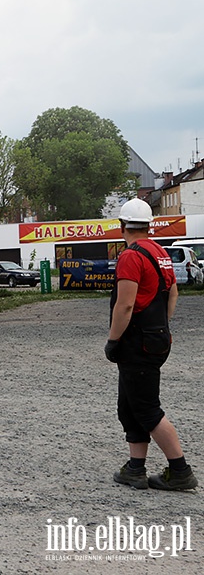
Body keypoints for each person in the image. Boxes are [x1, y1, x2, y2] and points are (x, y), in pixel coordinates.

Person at [106, 198, 197, 490]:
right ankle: (135, 468)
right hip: (156, 337)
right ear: (149, 225)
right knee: (128, 404)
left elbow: (125, 305)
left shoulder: (131, 256)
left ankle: (180, 470)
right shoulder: (160, 253)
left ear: (122, 226)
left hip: (136, 341)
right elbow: (172, 294)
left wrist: (113, 339)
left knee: (146, 408)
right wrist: (162, 327)